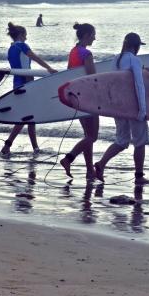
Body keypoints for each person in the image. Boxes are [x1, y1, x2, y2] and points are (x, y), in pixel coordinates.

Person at [93, 33, 149, 184]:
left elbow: (119, 80)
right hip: (133, 106)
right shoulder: (134, 59)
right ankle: (139, 176)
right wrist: (142, 109)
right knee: (140, 141)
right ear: (136, 46)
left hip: (118, 106)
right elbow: (139, 84)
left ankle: (101, 164)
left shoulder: (116, 59)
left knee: (122, 140)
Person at [0, 22, 56, 155]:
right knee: (26, 117)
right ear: (20, 35)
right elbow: (34, 57)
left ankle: (35, 148)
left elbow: (16, 66)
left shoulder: (11, 48)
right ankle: (7, 145)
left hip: (17, 82)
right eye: (25, 34)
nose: (26, 37)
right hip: (26, 83)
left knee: (30, 117)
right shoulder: (22, 46)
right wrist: (49, 68)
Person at [59, 23, 99, 183]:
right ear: (87, 35)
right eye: (93, 34)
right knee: (93, 137)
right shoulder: (87, 54)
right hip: (89, 99)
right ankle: (68, 158)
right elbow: (93, 79)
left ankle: (90, 171)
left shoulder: (74, 52)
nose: (95, 38)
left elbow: (69, 74)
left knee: (87, 136)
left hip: (77, 98)